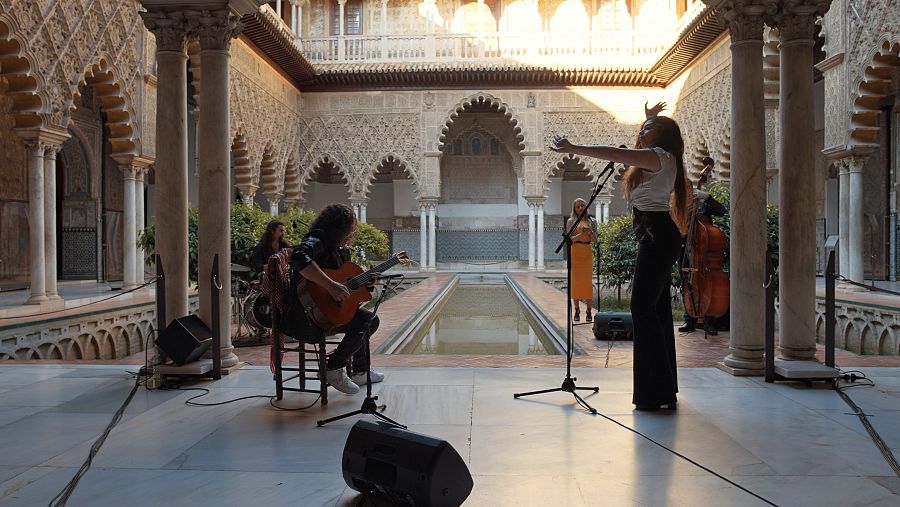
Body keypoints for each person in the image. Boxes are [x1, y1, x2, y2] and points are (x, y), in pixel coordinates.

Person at [551, 109, 690, 411]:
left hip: (658, 236)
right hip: (654, 236)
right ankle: (664, 389)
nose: (643, 131)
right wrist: (649, 120)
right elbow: (630, 153)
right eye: (642, 127)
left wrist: (573, 148)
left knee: (641, 307)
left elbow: (613, 152)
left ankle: (654, 392)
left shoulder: (660, 156)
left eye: (649, 128)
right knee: (657, 309)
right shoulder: (653, 159)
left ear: (663, 135)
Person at [289, 203, 384, 395]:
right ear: (338, 228)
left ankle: (360, 370)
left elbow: (346, 288)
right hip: (306, 315)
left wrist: (368, 283)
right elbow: (299, 257)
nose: (352, 234)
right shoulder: (317, 240)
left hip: (326, 312)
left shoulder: (341, 251)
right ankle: (334, 368)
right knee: (366, 321)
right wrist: (330, 286)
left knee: (367, 319)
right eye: (350, 229)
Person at [678, 163, 727, 335]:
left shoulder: (704, 204)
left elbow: (722, 211)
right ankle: (688, 319)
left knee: (707, 283)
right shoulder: (681, 205)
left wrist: (707, 197)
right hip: (687, 250)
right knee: (687, 282)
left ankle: (710, 321)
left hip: (702, 253)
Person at [566, 198, 598, 322]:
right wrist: (580, 234)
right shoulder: (571, 221)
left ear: (586, 207)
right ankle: (577, 310)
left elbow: (596, 240)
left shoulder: (592, 221)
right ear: (574, 209)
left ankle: (589, 311)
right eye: (577, 206)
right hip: (576, 251)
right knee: (576, 282)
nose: (580, 208)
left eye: (582, 205)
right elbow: (569, 240)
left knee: (587, 282)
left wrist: (590, 233)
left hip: (587, 251)